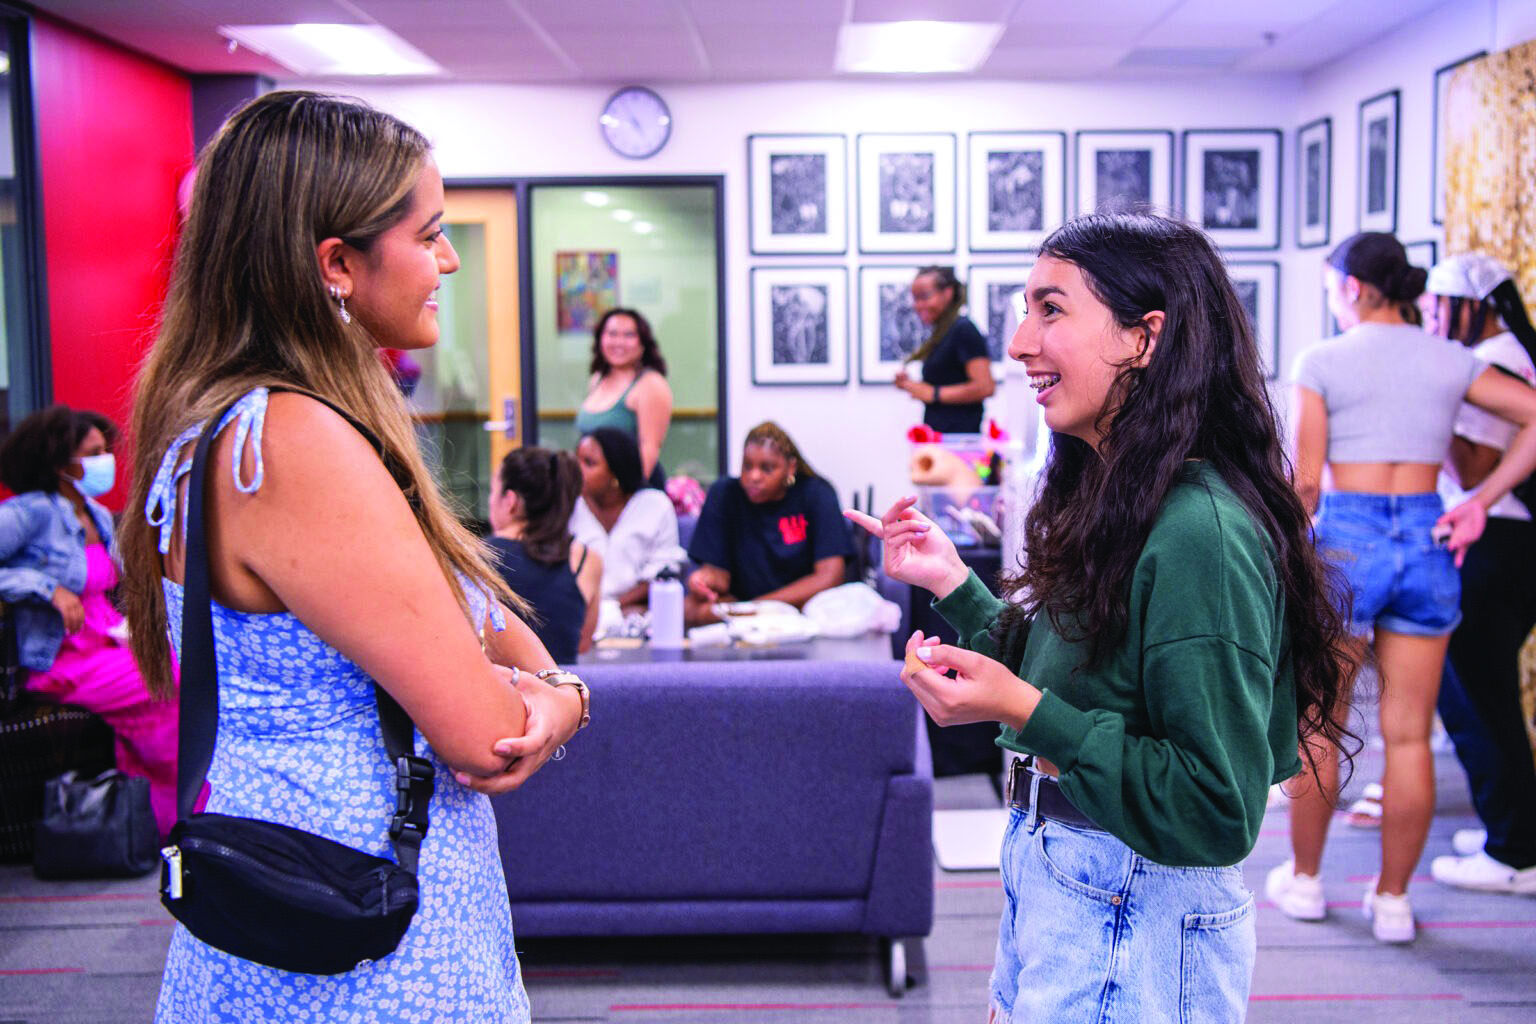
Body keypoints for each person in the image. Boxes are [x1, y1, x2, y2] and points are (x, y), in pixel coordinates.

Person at [116, 91, 587, 1023]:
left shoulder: (238, 421)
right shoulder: (291, 442)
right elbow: (488, 735)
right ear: (336, 263)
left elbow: (493, 627)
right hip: (352, 924)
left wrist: (550, 685)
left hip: (303, 897)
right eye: (432, 234)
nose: (449, 260)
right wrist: (566, 697)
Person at [848, 212, 1353, 1021]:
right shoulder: (1121, 494)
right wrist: (955, 586)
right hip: (1070, 877)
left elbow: (1214, 808)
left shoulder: (1198, 531)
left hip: (1129, 902)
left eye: (1051, 309)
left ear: (1144, 338)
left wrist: (1021, 711)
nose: (1017, 342)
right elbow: (1084, 677)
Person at [1273, 233, 1536, 942]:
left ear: (1354, 287)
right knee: (1411, 736)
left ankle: (1304, 881)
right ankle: (1392, 900)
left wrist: (1284, 556)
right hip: (1426, 536)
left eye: (1332, 286)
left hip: (1350, 539)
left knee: (1321, 724)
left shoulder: (1322, 360)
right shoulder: (1449, 357)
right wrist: (1481, 499)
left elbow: (1303, 483)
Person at [0, 406, 180, 838]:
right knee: (167, 677)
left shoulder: (98, 514)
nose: (107, 461)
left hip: (108, 644)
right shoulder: (29, 513)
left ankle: (157, 819)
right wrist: (47, 589)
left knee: (179, 664)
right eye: (93, 453)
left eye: (105, 450)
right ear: (61, 464)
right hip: (62, 660)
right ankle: (179, 815)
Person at [1420, 253, 1536, 895]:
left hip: (1492, 543)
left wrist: (1424, 409)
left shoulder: (1491, 364)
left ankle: (1514, 851)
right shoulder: (1515, 353)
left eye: (1441, 306)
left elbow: (1470, 467)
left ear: (1473, 306)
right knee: (1481, 694)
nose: (1433, 320)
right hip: (1515, 542)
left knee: (1477, 698)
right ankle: (1512, 827)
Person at [685, 422, 852, 627]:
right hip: (740, 606)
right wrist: (703, 580)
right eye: (747, 466)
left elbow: (830, 576)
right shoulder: (725, 493)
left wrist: (760, 607)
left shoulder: (817, 494)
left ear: (791, 467)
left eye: (767, 468)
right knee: (690, 609)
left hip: (801, 608)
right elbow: (719, 577)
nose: (754, 477)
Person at [486, 447, 602, 662]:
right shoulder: (587, 559)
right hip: (561, 689)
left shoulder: (476, 556)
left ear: (510, 501)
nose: (491, 501)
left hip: (501, 689)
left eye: (493, 491)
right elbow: (583, 643)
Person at [568, 427, 678, 609]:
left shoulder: (655, 505)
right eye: (576, 460)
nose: (577, 470)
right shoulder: (569, 505)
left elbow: (663, 573)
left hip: (636, 609)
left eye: (589, 463)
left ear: (616, 471)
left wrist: (615, 606)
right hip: (579, 610)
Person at [574, 307, 673, 486]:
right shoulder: (597, 379)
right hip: (595, 488)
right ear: (600, 339)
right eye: (612, 334)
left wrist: (624, 496)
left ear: (643, 343)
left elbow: (649, 448)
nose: (619, 342)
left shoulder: (651, 384)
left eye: (629, 335)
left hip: (629, 492)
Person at [894, 266, 995, 434]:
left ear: (947, 293)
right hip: (942, 439)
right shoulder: (943, 332)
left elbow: (985, 387)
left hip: (959, 442)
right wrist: (910, 385)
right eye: (915, 298)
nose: (918, 305)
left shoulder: (964, 329)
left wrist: (934, 394)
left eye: (924, 297)